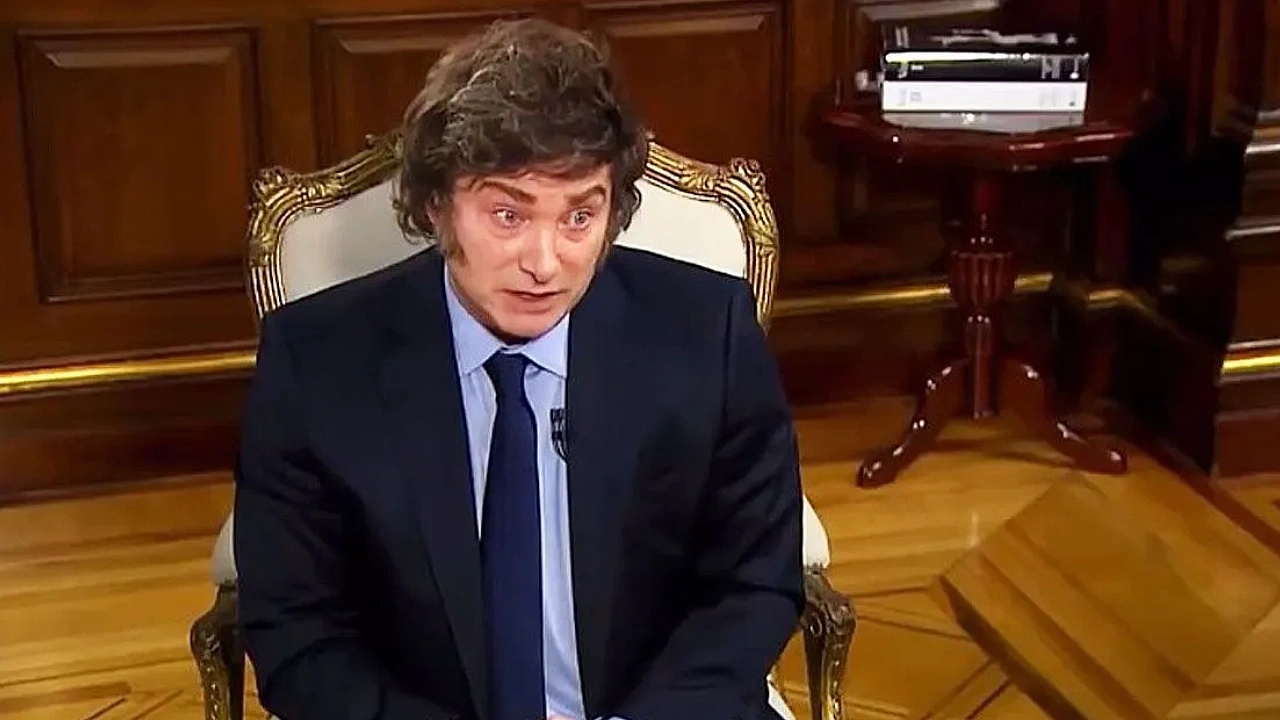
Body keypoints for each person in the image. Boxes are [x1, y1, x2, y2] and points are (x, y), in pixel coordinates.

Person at [233, 17, 803, 720]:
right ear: (438, 205)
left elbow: (755, 583)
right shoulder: (316, 363)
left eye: (579, 218)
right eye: (508, 214)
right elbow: (298, 636)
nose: (545, 263)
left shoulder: (707, 334)